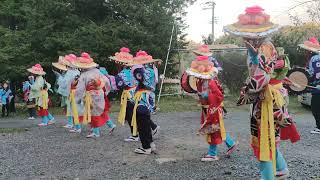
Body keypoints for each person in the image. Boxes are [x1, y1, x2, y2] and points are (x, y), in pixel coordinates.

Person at [224, 6, 300, 180]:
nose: (245, 36)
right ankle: (281, 169)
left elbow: (261, 78)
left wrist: (246, 91)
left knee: (264, 138)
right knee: (271, 137)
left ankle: (268, 176)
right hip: (270, 96)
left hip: (266, 99)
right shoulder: (258, 47)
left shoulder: (264, 47)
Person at [183, 55, 238, 161]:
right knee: (217, 128)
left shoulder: (210, 82)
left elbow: (219, 96)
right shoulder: (202, 81)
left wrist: (211, 106)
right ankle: (230, 144)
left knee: (213, 129)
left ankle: (213, 154)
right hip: (208, 108)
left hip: (213, 109)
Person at [72, 52, 109, 138]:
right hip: (99, 93)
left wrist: (77, 98)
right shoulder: (97, 71)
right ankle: (95, 129)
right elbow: (106, 80)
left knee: (92, 112)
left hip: (90, 95)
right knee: (97, 111)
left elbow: (80, 89)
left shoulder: (84, 75)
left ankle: (96, 132)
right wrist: (106, 91)